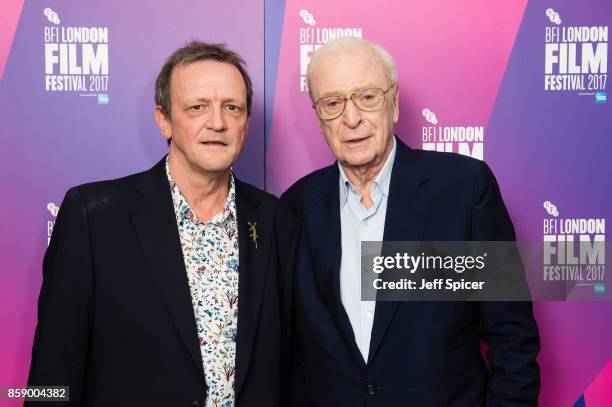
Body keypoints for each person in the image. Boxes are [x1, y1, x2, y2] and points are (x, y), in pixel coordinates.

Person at [27, 41, 297, 407]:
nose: (217, 122)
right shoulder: (93, 217)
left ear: (246, 123)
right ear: (164, 120)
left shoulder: (276, 220)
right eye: (197, 107)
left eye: (232, 108)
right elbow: (51, 377)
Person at [282, 37, 540, 406]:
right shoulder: (296, 207)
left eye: (367, 97)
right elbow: (295, 353)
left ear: (394, 102)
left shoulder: (463, 190)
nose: (351, 118)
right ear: (318, 115)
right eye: (333, 103)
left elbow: (512, 334)